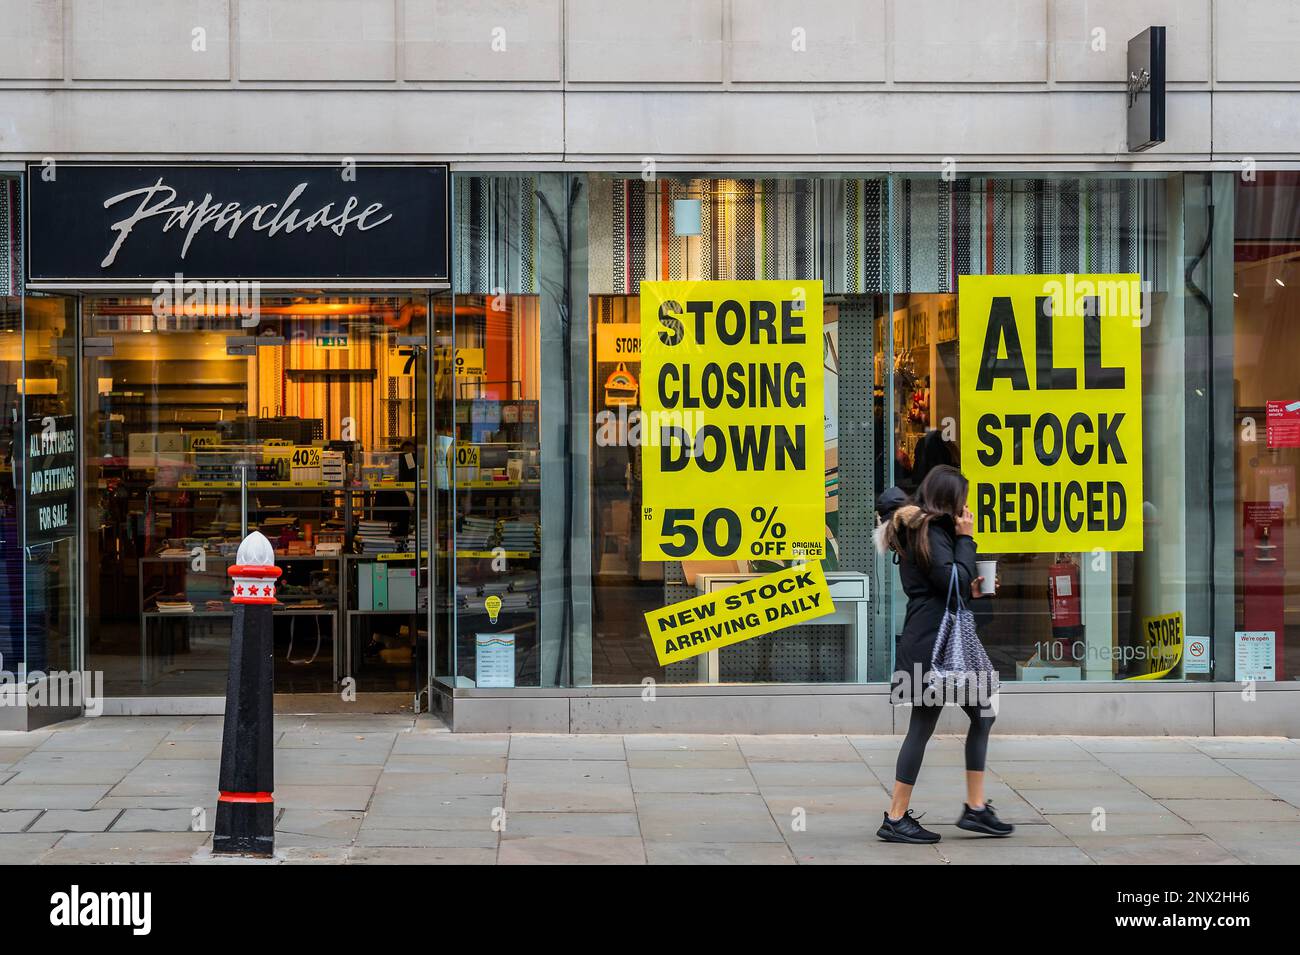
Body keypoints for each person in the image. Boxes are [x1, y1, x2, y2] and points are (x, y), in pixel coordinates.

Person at [874, 464, 1013, 844]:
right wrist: (967, 539)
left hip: (933, 636)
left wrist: (975, 585)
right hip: (934, 643)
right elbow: (948, 579)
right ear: (950, 499)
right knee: (924, 724)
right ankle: (897, 816)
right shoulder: (931, 530)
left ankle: (976, 807)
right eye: (962, 500)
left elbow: (949, 585)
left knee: (982, 712)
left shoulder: (925, 530)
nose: (966, 508)